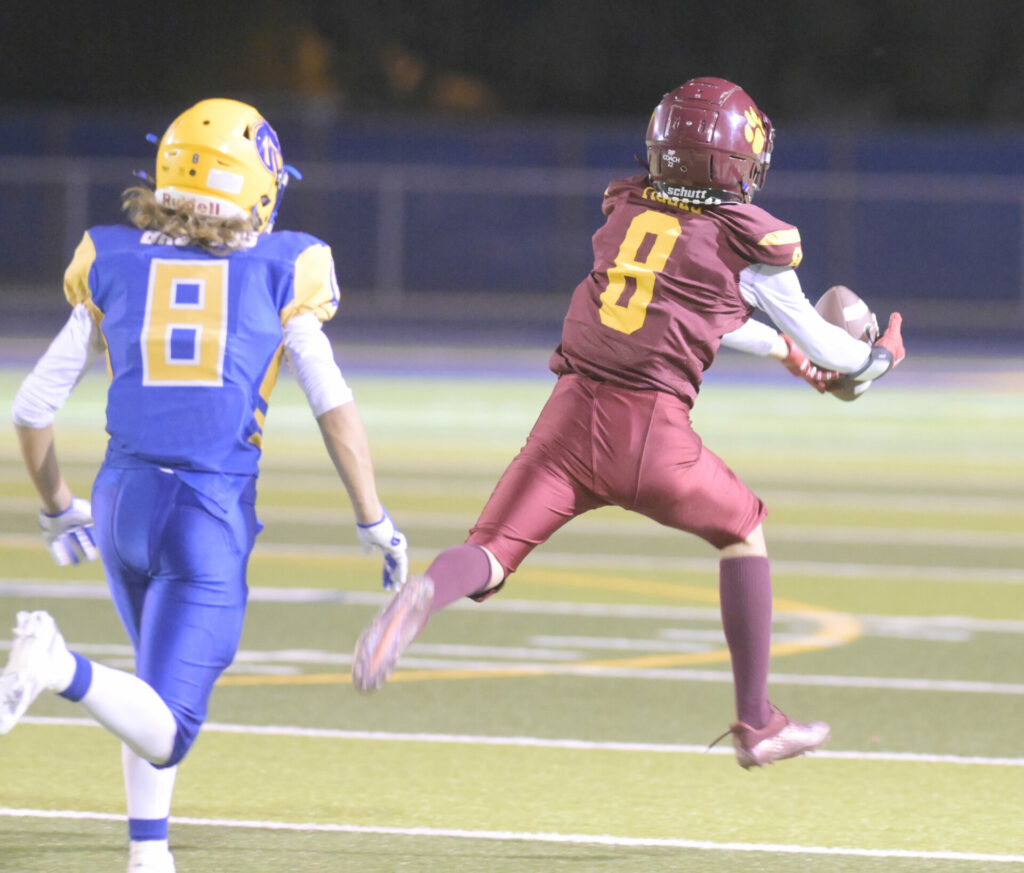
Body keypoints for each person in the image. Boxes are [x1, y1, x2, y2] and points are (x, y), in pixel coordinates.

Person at [350, 77, 905, 769]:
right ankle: (757, 721)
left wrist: (779, 347)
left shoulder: (627, 208)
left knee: (491, 551)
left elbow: (683, 308)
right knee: (743, 527)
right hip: (651, 432)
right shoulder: (744, 240)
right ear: (731, 161)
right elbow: (835, 352)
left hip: (568, 417)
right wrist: (880, 355)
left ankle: (428, 595)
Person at [1, 98, 408, 873]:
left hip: (120, 500)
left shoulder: (112, 257)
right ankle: (59, 664)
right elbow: (333, 406)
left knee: (153, 685)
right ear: (258, 183)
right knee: (171, 723)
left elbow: (30, 407)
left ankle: (148, 853)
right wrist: (373, 518)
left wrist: (58, 508)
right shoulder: (284, 266)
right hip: (205, 509)